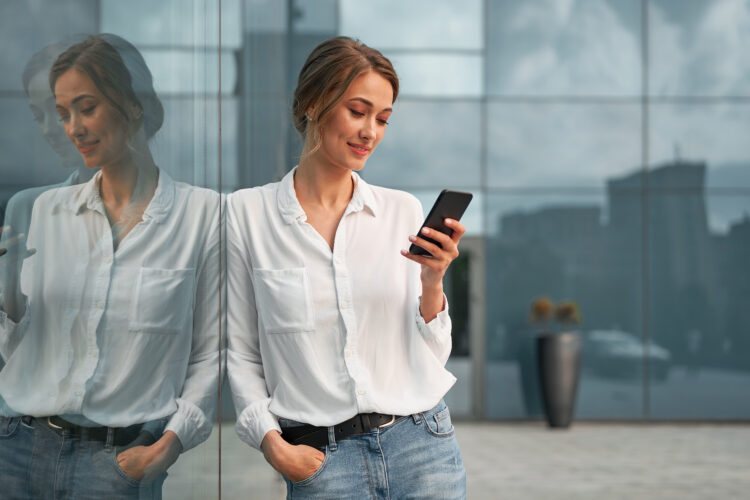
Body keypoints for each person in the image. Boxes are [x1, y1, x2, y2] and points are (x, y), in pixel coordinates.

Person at [227, 36, 467, 499]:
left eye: (383, 119)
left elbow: (432, 355)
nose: (370, 132)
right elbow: (240, 351)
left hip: (423, 447)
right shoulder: (246, 215)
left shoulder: (401, 211)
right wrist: (271, 443)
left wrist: (432, 280)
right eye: (358, 112)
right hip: (322, 463)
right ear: (314, 103)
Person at [0, 34, 222, 499]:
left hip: (117, 465)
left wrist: (169, 444)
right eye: (63, 114)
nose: (73, 128)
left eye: (86, 107)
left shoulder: (204, 215)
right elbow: (18, 347)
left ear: (134, 105)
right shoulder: (43, 213)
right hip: (16, 450)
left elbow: (212, 351)